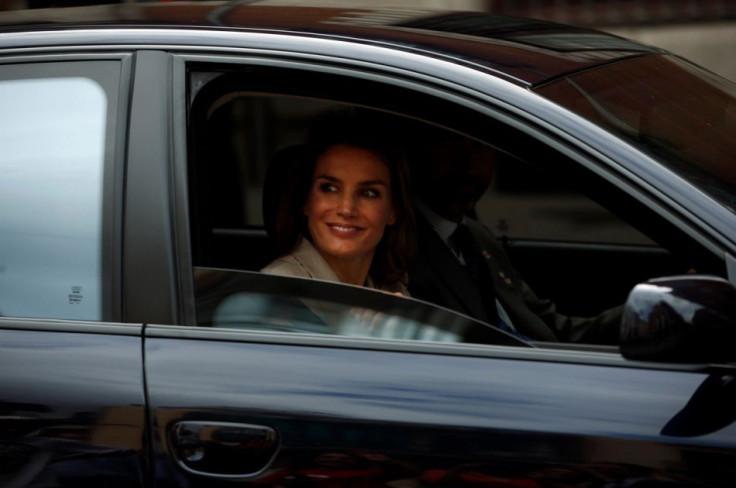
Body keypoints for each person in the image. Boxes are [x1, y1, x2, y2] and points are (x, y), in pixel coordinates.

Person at [406, 127, 621, 344]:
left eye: (480, 146)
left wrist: (639, 317)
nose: (467, 164)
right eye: (446, 142)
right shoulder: (401, 250)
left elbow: (549, 328)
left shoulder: (476, 236)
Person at [261, 109, 416, 296]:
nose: (346, 209)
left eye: (368, 193)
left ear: (394, 211)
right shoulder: (274, 291)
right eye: (329, 189)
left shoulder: (392, 291)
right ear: (306, 201)